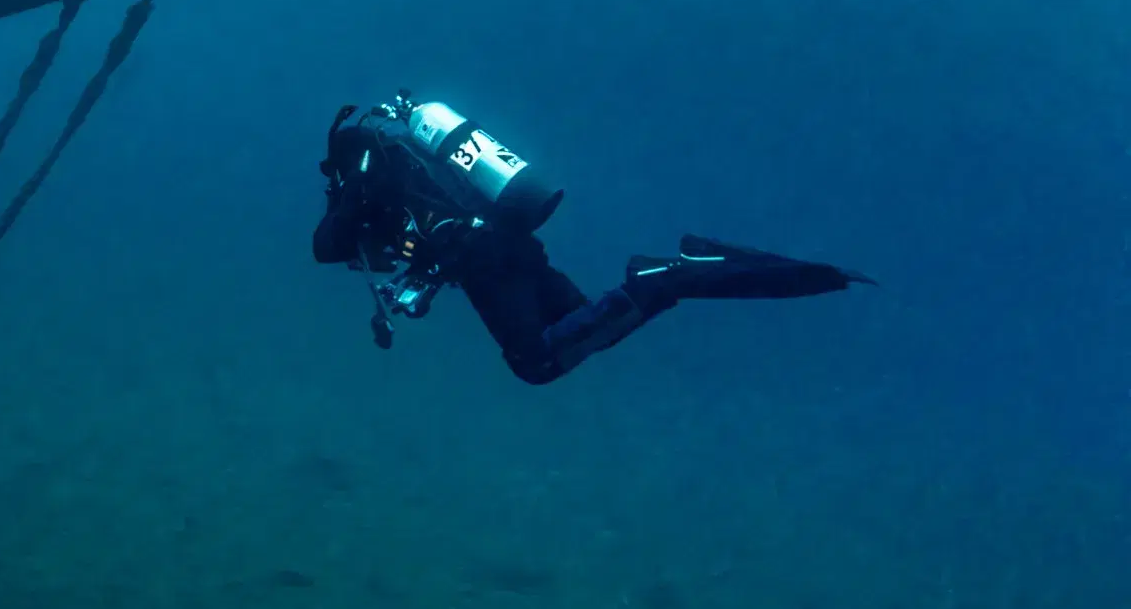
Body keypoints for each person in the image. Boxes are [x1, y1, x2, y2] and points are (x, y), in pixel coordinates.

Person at [312, 92, 873, 384]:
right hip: (512, 242)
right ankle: (687, 269)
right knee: (581, 322)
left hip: (484, 260)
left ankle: (663, 278)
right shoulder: (407, 161)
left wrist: (345, 192)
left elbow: (326, 246)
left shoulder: (362, 165)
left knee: (537, 363)